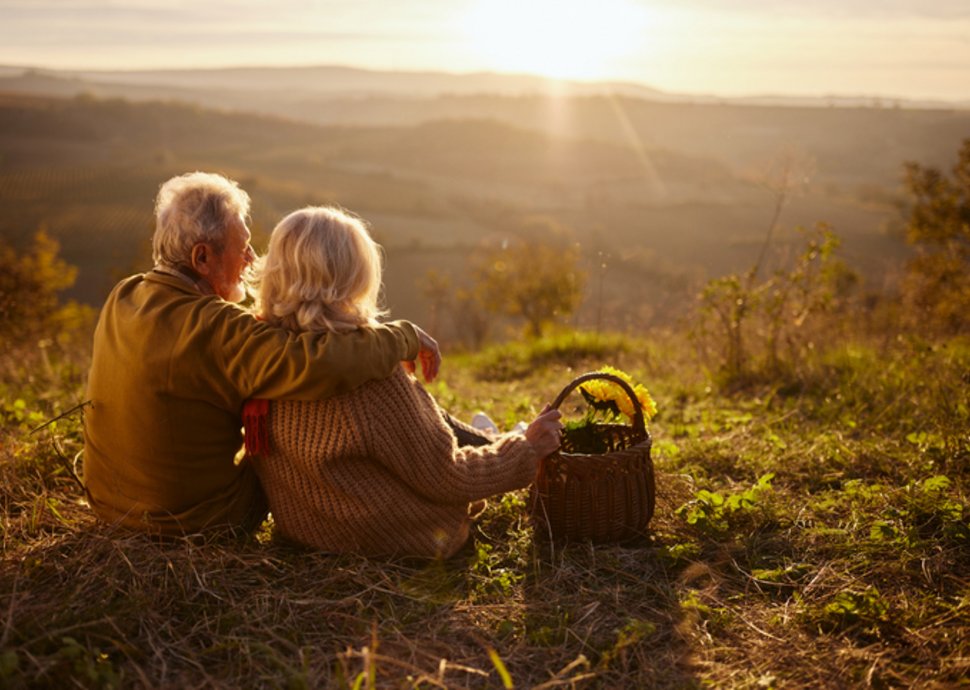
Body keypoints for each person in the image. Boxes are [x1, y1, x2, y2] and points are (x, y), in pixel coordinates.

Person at [82, 172, 440, 536]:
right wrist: (400, 338)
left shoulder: (123, 296)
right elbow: (319, 364)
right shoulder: (218, 327)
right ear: (202, 257)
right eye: (244, 246)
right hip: (196, 523)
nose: (252, 258)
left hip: (110, 509)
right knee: (297, 426)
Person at [245, 206, 562, 558]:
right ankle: (505, 436)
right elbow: (448, 477)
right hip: (395, 540)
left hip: (307, 533)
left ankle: (490, 436)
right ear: (353, 276)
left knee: (450, 431)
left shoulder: (260, 354)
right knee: (475, 451)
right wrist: (526, 450)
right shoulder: (371, 379)